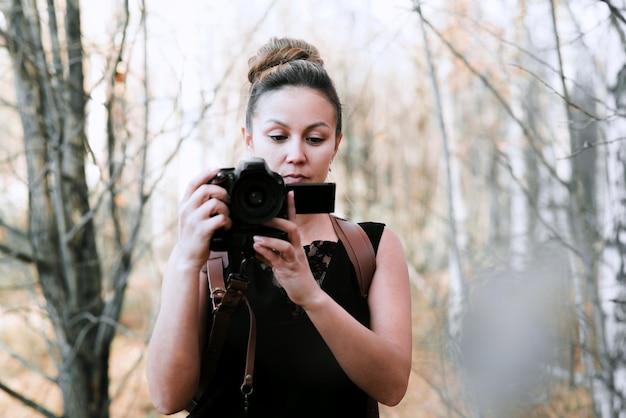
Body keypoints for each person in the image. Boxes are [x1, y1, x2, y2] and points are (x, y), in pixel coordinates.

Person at [146, 37, 412, 418]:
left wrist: (311, 296)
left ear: (336, 145)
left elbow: (393, 387)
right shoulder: (209, 243)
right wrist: (188, 261)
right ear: (249, 140)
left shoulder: (370, 247)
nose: (296, 155)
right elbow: (167, 398)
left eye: (315, 138)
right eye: (278, 136)